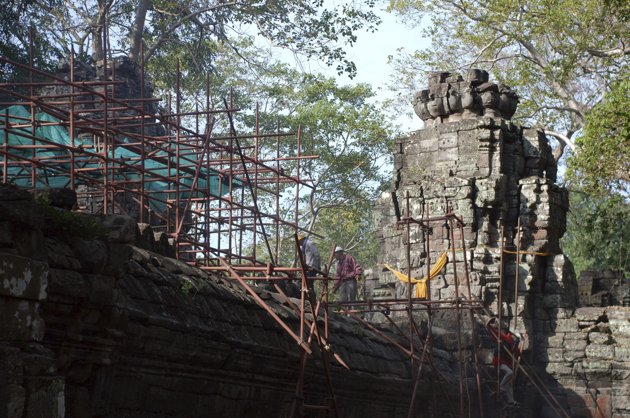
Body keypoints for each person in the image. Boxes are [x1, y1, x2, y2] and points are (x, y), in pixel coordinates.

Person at [486, 317, 522, 407]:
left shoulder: (514, 345)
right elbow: (495, 333)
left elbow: (515, 353)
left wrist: (518, 352)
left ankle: (511, 401)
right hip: (498, 361)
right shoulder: (505, 338)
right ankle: (501, 386)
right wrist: (489, 325)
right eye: (515, 337)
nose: (515, 339)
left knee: (509, 384)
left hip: (505, 363)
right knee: (510, 373)